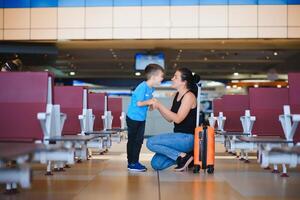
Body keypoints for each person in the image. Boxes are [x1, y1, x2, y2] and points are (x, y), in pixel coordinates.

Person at [146, 67, 200, 171]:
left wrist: (160, 105)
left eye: (175, 77)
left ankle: (184, 157)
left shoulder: (189, 96)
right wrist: (157, 107)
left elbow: (178, 119)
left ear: (184, 82)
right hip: (178, 137)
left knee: (150, 142)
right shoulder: (176, 95)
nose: (172, 79)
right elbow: (170, 118)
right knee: (156, 164)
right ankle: (187, 157)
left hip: (187, 138)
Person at [126, 64, 164, 172]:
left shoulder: (151, 89)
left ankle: (135, 162)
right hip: (133, 118)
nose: (162, 78)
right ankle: (131, 163)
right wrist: (150, 101)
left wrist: (152, 105)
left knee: (139, 141)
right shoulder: (142, 87)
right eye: (161, 76)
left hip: (141, 118)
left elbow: (147, 104)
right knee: (133, 141)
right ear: (153, 77)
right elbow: (138, 103)